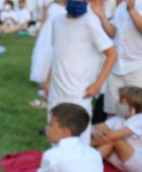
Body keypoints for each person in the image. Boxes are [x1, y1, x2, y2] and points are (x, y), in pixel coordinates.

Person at [43, 0, 117, 144]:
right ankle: (57, 164)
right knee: (54, 133)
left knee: (79, 139)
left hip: (79, 91)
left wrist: (97, 84)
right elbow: (57, 53)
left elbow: (112, 54)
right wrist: (48, 81)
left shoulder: (90, 22)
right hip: (56, 91)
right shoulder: (57, 21)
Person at [91, 0, 142, 116]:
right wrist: (102, 17)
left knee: (136, 112)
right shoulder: (121, 6)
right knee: (114, 111)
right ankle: (114, 132)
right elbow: (113, 33)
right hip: (117, 67)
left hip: (137, 67)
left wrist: (131, 10)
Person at [91, 86, 142, 172]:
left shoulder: (139, 119)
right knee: (100, 137)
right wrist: (93, 132)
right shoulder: (118, 118)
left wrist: (94, 132)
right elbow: (94, 128)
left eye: (121, 102)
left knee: (114, 139)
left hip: (138, 162)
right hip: (120, 159)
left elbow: (111, 136)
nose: (117, 103)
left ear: (132, 108)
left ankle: (87, 164)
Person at [29, 0, 66, 86]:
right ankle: (41, 78)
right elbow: (44, 20)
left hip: (59, 34)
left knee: (53, 55)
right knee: (43, 54)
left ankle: (50, 80)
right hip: (46, 33)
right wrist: (40, 33)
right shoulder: (50, 5)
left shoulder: (67, 9)